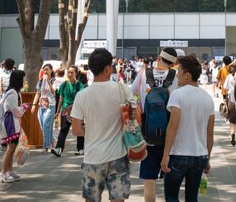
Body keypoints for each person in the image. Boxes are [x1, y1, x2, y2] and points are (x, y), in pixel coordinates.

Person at [71, 48, 133, 202]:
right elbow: (136, 118)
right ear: (107, 68)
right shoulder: (122, 89)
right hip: (118, 155)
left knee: (91, 199)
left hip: (93, 157)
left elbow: (76, 130)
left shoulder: (82, 95)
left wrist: (93, 129)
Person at [161, 55, 215, 202]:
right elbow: (210, 133)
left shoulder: (177, 95)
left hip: (178, 154)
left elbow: (173, 126)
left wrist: (165, 155)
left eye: (179, 72)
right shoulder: (208, 99)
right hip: (200, 156)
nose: (177, 75)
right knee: (192, 198)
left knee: (171, 197)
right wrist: (208, 158)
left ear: (187, 75)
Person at [130, 47, 180, 202]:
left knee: (149, 179)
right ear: (173, 62)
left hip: (148, 131)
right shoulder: (176, 76)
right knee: (171, 178)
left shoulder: (144, 73)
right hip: (170, 133)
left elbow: (131, 93)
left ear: (159, 57)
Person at [0, 69, 29, 183]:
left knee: (12, 147)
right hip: (10, 123)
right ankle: (3, 172)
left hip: (13, 122)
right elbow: (14, 110)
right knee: (10, 147)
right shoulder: (12, 93)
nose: (24, 81)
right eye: (22, 79)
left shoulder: (13, 92)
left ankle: (9, 171)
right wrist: (24, 107)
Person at [54, 65, 86, 156]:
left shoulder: (79, 85)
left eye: (72, 72)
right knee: (63, 129)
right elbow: (61, 98)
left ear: (76, 73)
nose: (69, 74)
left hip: (77, 110)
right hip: (65, 110)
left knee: (79, 129)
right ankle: (58, 148)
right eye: (68, 72)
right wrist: (57, 111)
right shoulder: (64, 84)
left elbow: (81, 98)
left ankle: (80, 148)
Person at [0, 58, 16, 150]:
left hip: (2, 98)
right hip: (12, 98)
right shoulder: (15, 74)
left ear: (4, 66)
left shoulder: (0, 75)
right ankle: (5, 143)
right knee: (9, 121)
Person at [36, 64, 57, 153]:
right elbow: (38, 93)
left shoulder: (53, 81)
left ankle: (46, 145)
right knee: (42, 126)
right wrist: (34, 105)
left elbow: (54, 92)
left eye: (47, 70)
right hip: (41, 105)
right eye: (44, 70)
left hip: (50, 105)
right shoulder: (40, 81)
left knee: (46, 125)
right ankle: (52, 139)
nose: (45, 71)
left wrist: (48, 81)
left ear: (51, 71)